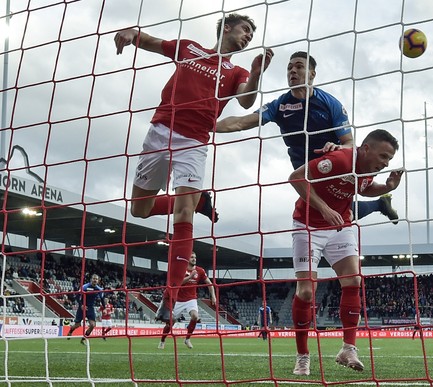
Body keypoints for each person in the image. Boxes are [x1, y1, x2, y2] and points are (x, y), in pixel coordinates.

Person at [114, 14, 273, 321]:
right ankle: (199, 200)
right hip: (160, 131)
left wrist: (255, 74)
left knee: (183, 214)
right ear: (226, 27)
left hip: (195, 141)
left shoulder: (236, 71)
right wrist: (132, 33)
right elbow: (150, 42)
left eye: (252, 34)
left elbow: (245, 101)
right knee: (139, 210)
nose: (248, 36)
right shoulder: (189, 48)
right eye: (245, 30)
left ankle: (170, 297)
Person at [215, 51, 399, 224]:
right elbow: (240, 122)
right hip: (303, 169)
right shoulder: (279, 105)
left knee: (333, 211)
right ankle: (379, 204)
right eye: (289, 68)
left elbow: (350, 143)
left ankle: (375, 206)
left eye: (299, 66)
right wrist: (207, 125)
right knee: (327, 211)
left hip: (334, 167)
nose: (292, 70)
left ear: (312, 74)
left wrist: (339, 148)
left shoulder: (330, 103)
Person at [287, 129, 403, 376]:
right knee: (306, 291)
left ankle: (348, 349)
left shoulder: (367, 171)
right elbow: (297, 178)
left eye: (389, 160)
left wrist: (387, 187)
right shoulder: (339, 160)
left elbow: (363, 189)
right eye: (383, 156)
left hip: (340, 226)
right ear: (366, 148)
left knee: (354, 280)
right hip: (308, 225)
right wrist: (325, 208)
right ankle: (302, 356)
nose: (385, 163)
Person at [158, 252, 216, 350]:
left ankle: (187, 339)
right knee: (171, 322)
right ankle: (162, 340)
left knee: (195, 316)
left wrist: (213, 296)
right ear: (187, 259)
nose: (194, 259)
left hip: (191, 299)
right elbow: (178, 283)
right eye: (192, 257)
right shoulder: (182, 269)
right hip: (178, 300)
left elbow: (210, 284)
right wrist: (190, 276)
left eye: (195, 257)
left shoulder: (200, 271)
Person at [66, 274, 105, 345]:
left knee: (93, 325)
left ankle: (83, 339)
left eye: (96, 279)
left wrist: (104, 308)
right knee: (77, 325)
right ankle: (71, 331)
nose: (95, 280)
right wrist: (81, 305)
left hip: (90, 308)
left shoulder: (99, 289)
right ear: (91, 279)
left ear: (98, 281)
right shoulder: (85, 287)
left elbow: (102, 299)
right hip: (82, 307)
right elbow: (77, 296)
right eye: (94, 279)